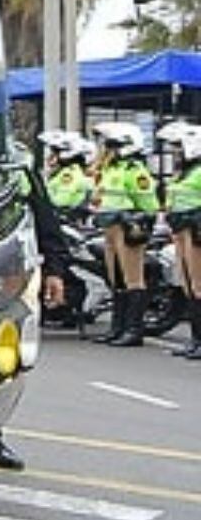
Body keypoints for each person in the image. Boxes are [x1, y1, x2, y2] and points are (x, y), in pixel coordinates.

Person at [0, 138, 73, 471]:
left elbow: (43, 212)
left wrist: (56, 269)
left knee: (7, 357)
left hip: (17, 269)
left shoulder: (18, 158)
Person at [88, 121, 157, 347]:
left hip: (127, 226)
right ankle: (117, 327)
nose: (107, 150)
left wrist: (138, 222)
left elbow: (148, 203)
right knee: (115, 278)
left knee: (132, 278)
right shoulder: (111, 169)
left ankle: (133, 329)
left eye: (112, 146)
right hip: (109, 226)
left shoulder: (135, 171)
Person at [155, 121, 201, 360]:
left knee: (199, 285)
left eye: (178, 147)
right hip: (181, 230)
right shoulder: (185, 173)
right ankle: (195, 339)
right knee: (188, 285)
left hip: (196, 231)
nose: (175, 152)